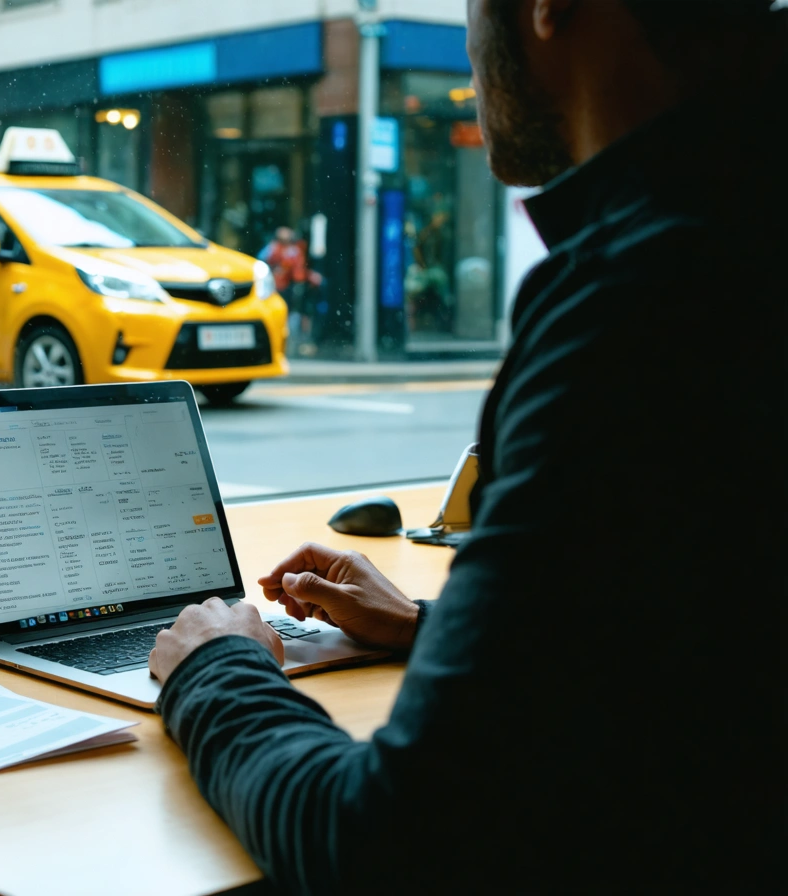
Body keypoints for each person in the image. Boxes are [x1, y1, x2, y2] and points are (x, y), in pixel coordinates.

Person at [147, 1, 785, 893]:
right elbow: (696, 647)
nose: (468, 45)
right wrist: (431, 628)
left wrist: (216, 674)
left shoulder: (647, 301)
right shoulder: (743, 219)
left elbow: (393, 847)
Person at [259, 226, 324, 355]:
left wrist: (308, 276)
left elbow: (298, 271)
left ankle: (295, 343)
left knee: (295, 314)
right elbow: (263, 260)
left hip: (291, 287)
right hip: (275, 288)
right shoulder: (273, 248)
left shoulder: (295, 250)